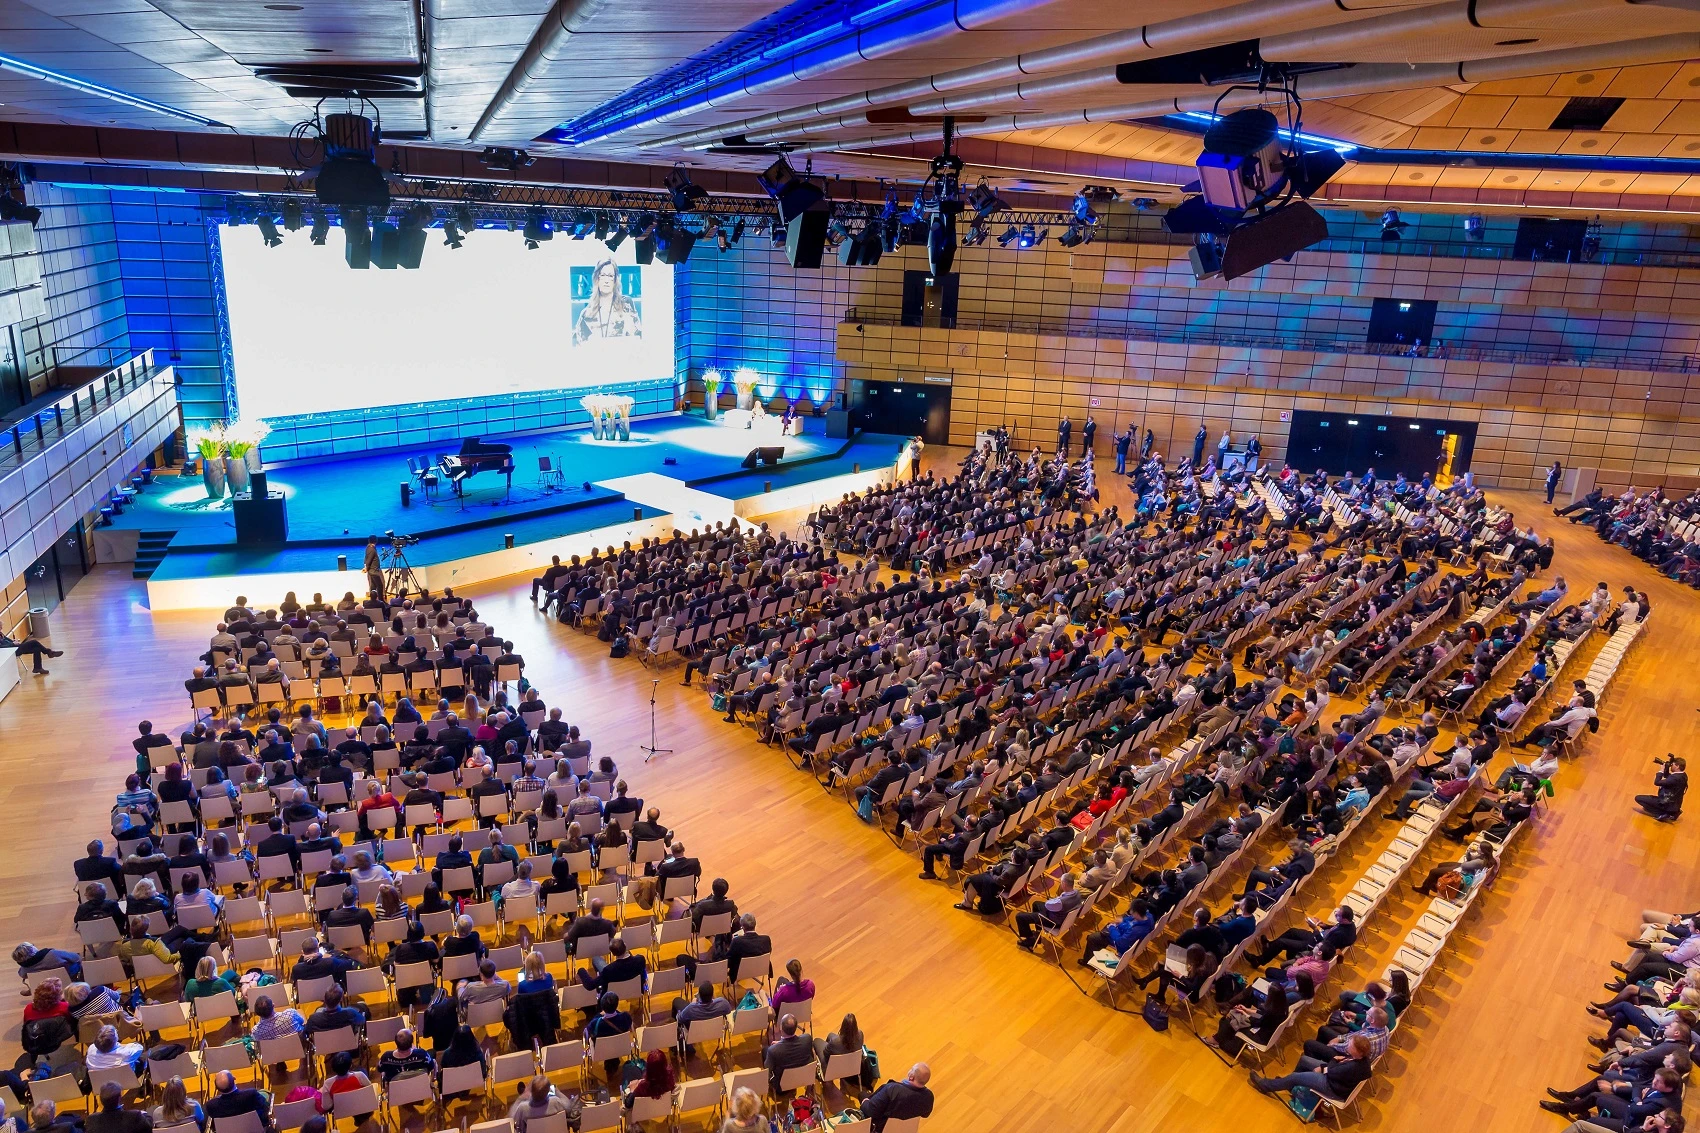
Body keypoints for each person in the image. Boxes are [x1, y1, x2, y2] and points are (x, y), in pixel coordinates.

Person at [1250, 1032, 1374, 1101]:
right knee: (1304, 1060)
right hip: (1335, 1078)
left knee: (1295, 1077)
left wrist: (1332, 1061)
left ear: (1358, 1051)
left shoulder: (1353, 1067)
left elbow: (1332, 1072)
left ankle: (1266, 1085)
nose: (1348, 1045)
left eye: (1350, 1045)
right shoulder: (1361, 1059)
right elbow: (1337, 1070)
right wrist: (1326, 1066)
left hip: (1331, 1087)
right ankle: (1290, 1085)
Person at [573, 258, 642, 343]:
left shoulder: (626, 305)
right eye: (603, 275)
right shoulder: (586, 314)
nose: (606, 281)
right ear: (597, 278)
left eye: (610, 276)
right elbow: (580, 345)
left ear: (615, 280)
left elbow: (638, 338)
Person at [862, 1063, 934, 1132]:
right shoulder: (929, 1097)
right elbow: (925, 1115)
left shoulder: (892, 1089)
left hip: (880, 1128)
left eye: (911, 1069)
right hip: (906, 1130)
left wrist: (865, 1102)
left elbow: (871, 1111)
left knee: (862, 1095)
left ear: (911, 1077)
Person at [763, 1013, 815, 1094]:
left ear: (781, 1028)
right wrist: (780, 1043)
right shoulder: (807, 1039)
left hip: (781, 1087)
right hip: (804, 1078)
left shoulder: (773, 1050)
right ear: (796, 1027)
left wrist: (779, 1044)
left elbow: (767, 1070)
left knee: (765, 1050)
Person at [1636, 756, 1687, 822]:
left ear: (1677, 766)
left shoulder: (1674, 778)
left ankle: (1665, 814)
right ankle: (1673, 812)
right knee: (1647, 804)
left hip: (1666, 803)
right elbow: (1668, 777)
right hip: (1674, 804)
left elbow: (1657, 782)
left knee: (1639, 799)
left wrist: (1661, 771)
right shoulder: (1683, 776)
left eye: (1673, 764)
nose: (1671, 766)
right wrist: (1666, 768)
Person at [83, 1084, 148, 1133]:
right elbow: (148, 1127)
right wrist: (144, 1115)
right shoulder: (135, 1116)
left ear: (101, 1100)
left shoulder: (91, 1120)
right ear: (119, 1099)